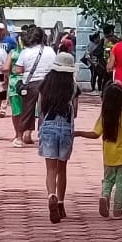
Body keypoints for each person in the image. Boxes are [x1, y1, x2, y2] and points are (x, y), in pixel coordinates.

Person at [75, 84, 122, 219]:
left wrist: (78, 133)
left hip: (108, 156)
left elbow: (95, 134)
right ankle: (117, 209)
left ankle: (105, 195)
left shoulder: (104, 117)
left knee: (108, 180)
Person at [36, 52, 81, 223]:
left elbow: (40, 109)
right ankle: (61, 204)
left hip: (48, 127)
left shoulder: (45, 85)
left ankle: (51, 196)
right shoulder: (73, 87)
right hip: (65, 128)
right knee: (62, 169)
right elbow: (75, 113)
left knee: (50, 170)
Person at [13, 28, 55, 148]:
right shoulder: (49, 50)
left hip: (30, 84)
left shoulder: (25, 52)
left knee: (27, 111)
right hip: (47, 83)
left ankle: (20, 137)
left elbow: (18, 69)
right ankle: (44, 136)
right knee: (46, 111)